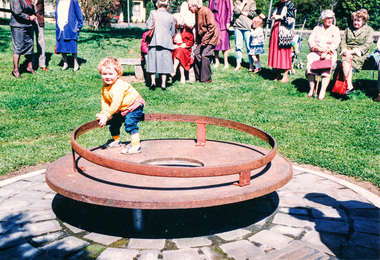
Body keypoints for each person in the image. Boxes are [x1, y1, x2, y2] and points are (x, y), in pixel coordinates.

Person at [96, 57, 146, 154]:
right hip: (121, 108)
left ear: (118, 74)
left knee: (130, 122)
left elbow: (116, 102)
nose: (107, 77)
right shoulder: (105, 86)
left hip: (134, 106)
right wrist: (105, 112)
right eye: (104, 74)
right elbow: (105, 100)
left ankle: (136, 146)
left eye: (110, 74)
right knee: (114, 121)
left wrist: (107, 115)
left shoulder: (118, 85)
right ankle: (116, 140)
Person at [306, 10, 340, 100]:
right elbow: (310, 42)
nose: (330, 20)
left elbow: (336, 43)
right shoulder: (317, 28)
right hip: (316, 51)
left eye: (331, 18)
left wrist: (326, 52)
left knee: (326, 65)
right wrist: (320, 50)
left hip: (329, 53)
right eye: (327, 18)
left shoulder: (335, 29)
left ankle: (322, 90)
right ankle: (311, 89)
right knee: (310, 61)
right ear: (323, 19)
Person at [340, 8, 374, 95]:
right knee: (345, 61)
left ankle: (347, 87)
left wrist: (353, 52)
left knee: (345, 62)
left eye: (358, 20)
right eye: (354, 20)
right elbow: (343, 42)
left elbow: (367, 45)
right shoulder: (348, 29)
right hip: (347, 53)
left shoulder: (369, 30)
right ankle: (349, 87)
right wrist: (346, 51)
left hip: (360, 55)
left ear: (364, 21)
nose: (355, 22)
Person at [188, 0, 220, 83]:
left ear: (195, 6)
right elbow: (199, 27)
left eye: (189, 7)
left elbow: (212, 27)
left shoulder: (206, 11)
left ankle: (206, 78)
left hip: (211, 38)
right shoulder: (197, 12)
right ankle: (199, 76)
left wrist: (205, 40)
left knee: (205, 55)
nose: (189, 9)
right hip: (203, 39)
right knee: (197, 54)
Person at [146, 0, 175, 90]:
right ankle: (163, 84)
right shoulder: (171, 16)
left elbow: (148, 26)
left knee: (152, 62)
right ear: (167, 6)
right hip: (166, 42)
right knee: (165, 63)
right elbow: (172, 33)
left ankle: (153, 82)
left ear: (157, 5)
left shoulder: (153, 13)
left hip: (154, 41)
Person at [268, 0, 296, 82]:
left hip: (284, 34)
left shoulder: (290, 5)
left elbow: (291, 21)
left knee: (284, 54)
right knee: (277, 53)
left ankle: (285, 76)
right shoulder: (277, 4)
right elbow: (272, 19)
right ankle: (278, 74)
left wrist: (280, 17)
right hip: (275, 32)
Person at [10, 0, 37, 78]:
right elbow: (17, 11)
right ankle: (15, 70)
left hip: (28, 25)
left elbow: (32, 9)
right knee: (18, 47)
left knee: (30, 45)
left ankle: (29, 67)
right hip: (18, 25)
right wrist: (29, 17)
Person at [55, 0, 83, 71]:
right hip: (60, 26)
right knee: (62, 46)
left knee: (72, 46)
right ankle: (65, 63)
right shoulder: (58, 1)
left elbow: (79, 13)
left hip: (70, 27)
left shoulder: (73, 1)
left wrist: (79, 26)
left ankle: (76, 64)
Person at [231, 0, 256, 71]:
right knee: (238, 46)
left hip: (248, 27)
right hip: (238, 27)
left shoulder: (252, 2)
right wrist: (242, 4)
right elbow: (236, 12)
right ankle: (238, 64)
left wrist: (241, 11)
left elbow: (252, 14)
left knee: (249, 47)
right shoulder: (237, 2)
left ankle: (251, 65)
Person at [171, 13, 194, 84]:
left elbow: (191, 41)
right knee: (179, 52)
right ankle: (182, 76)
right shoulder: (171, 28)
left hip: (185, 49)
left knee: (180, 51)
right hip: (174, 48)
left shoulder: (186, 29)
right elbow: (167, 40)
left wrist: (185, 44)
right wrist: (172, 45)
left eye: (175, 22)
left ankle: (174, 69)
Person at [208, 0, 232, 69]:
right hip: (214, 20)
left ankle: (226, 62)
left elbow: (229, 9)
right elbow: (209, 9)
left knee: (224, 42)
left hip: (222, 20)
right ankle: (217, 60)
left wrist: (228, 21)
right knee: (215, 41)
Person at [34, 0, 48, 71]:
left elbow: (42, 7)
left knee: (41, 41)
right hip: (28, 18)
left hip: (39, 19)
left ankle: (42, 64)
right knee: (29, 41)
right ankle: (31, 63)